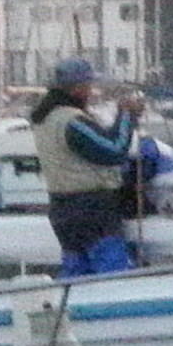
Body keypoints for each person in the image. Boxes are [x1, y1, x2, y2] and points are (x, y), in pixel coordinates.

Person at [31, 57, 143, 276]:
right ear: (77, 89)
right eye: (89, 85)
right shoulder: (71, 121)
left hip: (61, 207)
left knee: (76, 271)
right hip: (91, 207)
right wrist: (127, 115)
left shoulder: (43, 119)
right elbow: (114, 150)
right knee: (110, 269)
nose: (92, 91)